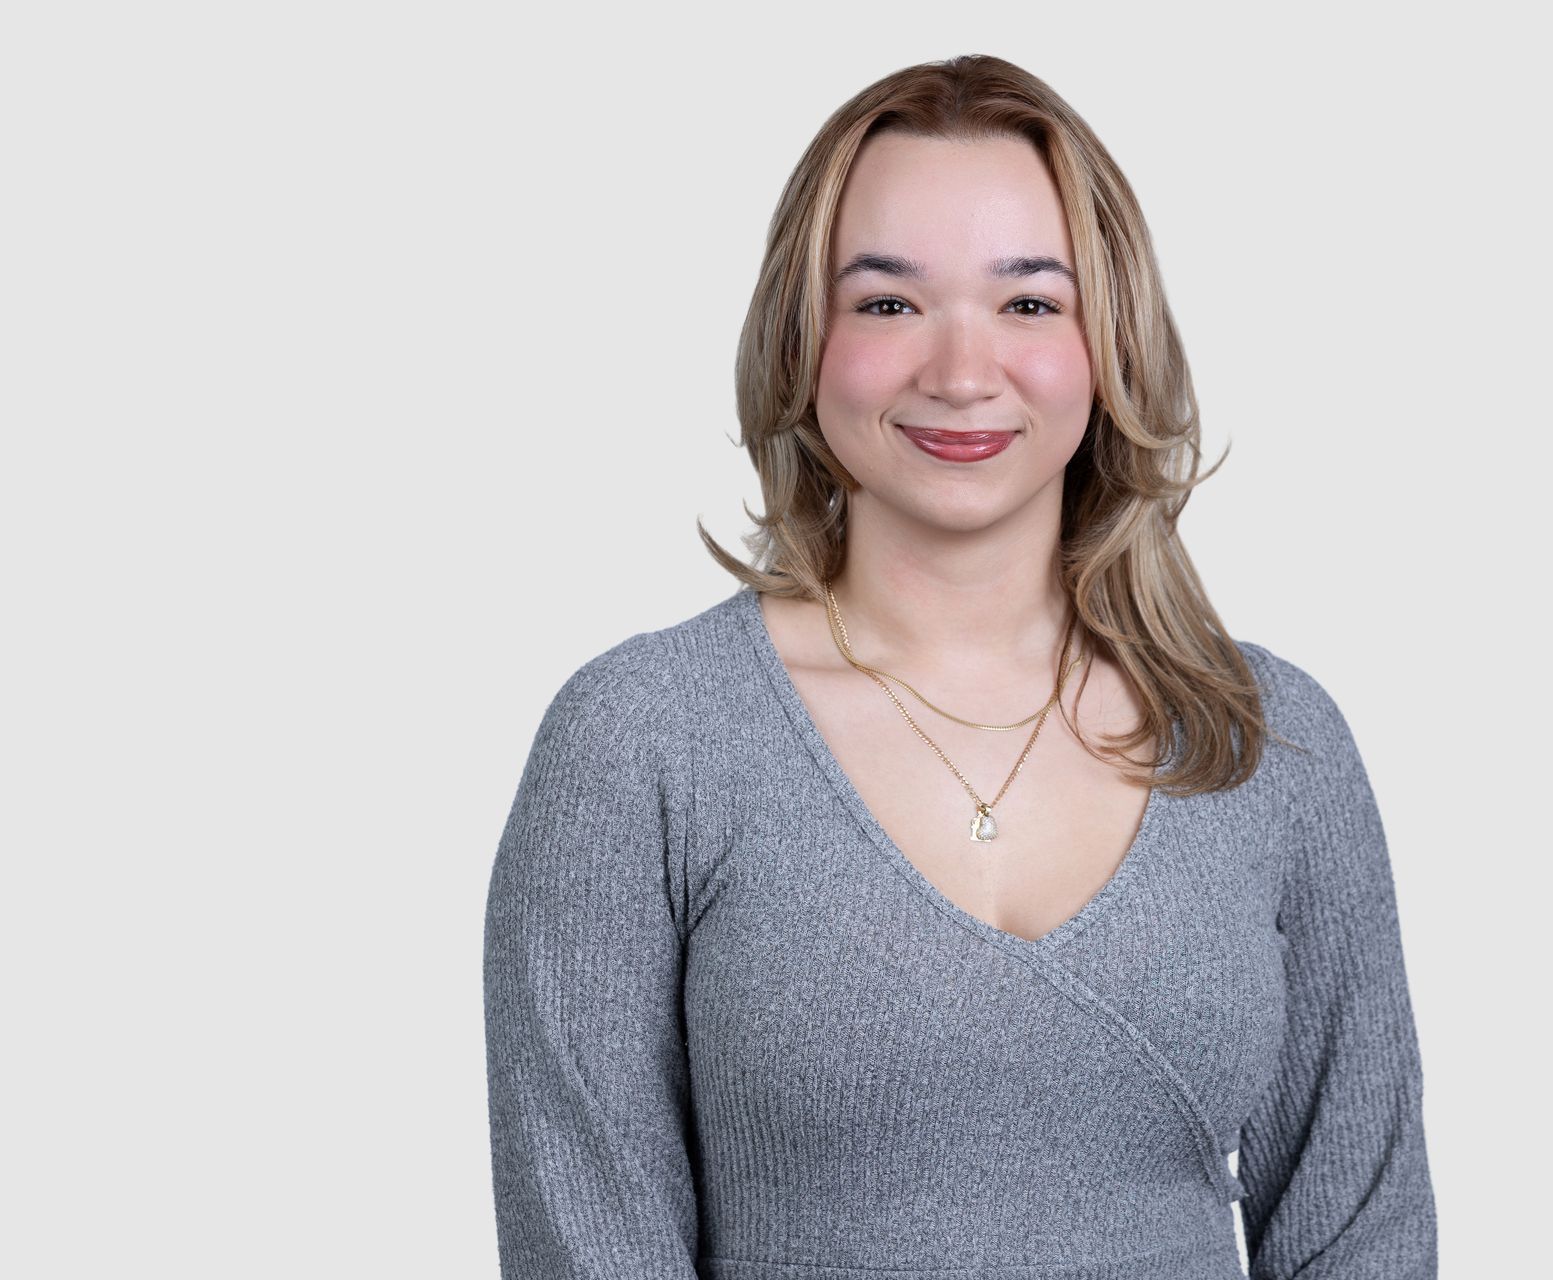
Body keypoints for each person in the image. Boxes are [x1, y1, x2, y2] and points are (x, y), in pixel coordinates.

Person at [482, 53, 1438, 1279]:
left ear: (1111, 342)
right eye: (887, 303)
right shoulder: (642, 745)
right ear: (803, 340)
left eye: (1030, 302)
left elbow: (1366, 1238)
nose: (960, 369)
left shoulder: (1268, 742)